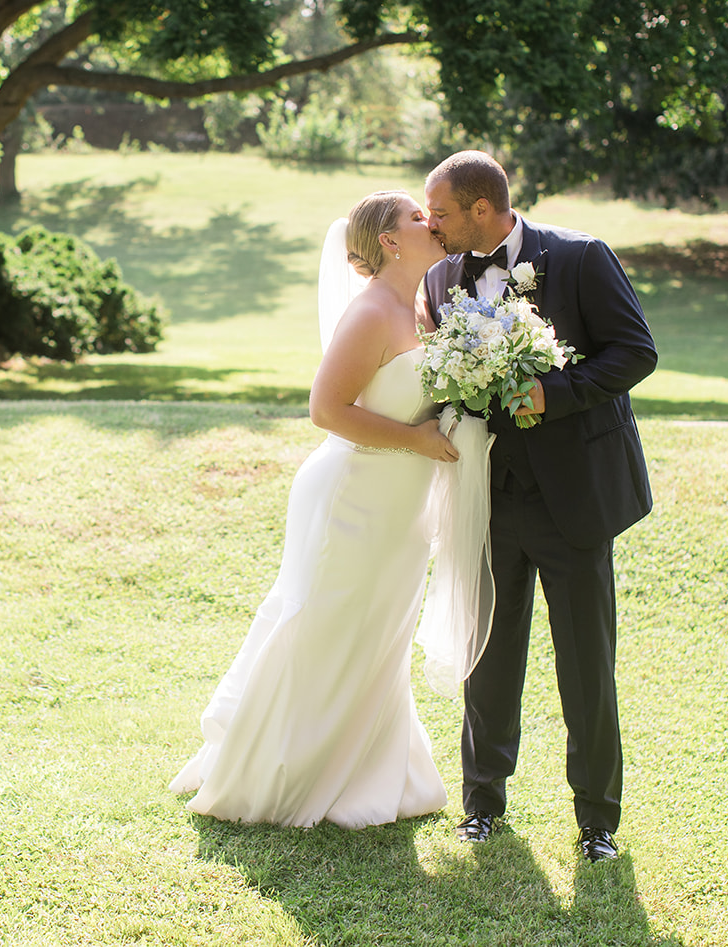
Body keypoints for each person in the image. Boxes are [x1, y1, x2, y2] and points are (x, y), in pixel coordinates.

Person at [170, 190, 460, 828]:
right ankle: (281, 772)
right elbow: (328, 410)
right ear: (388, 240)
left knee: (378, 632)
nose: (431, 223)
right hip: (353, 495)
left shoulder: (427, 308)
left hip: (403, 506)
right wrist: (415, 439)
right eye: (418, 217)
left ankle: (370, 768)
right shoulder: (373, 312)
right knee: (328, 623)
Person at [421, 150, 657, 863]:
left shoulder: (582, 258)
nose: (431, 226)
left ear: (482, 210)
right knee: (486, 652)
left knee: (586, 664)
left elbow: (635, 352)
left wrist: (552, 393)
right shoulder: (439, 279)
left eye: (440, 214)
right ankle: (482, 805)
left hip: (574, 499)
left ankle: (597, 823)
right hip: (487, 494)